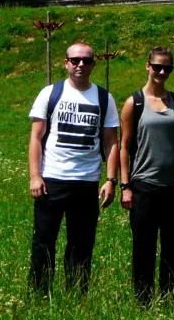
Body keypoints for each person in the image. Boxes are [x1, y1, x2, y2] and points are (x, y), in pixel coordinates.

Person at [28, 41, 120, 294]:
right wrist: (35, 176)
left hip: (87, 182)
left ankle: (77, 296)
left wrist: (111, 180)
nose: (81, 64)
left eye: (86, 60)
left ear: (93, 64)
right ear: (66, 63)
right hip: (52, 181)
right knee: (43, 242)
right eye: (75, 60)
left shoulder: (104, 98)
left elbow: (112, 142)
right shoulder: (50, 93)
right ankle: (39, 295)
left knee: (81, 244)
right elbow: (36, 136)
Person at [120, 47, 174, 305]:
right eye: (158, 67)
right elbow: (125, 145)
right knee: (144, 247)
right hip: (144, 187)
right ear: (148, 66)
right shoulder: (134, 102)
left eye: (168, 68)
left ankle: (172, 298)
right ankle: (143, 299)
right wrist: (125, 185)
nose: (162, 72)